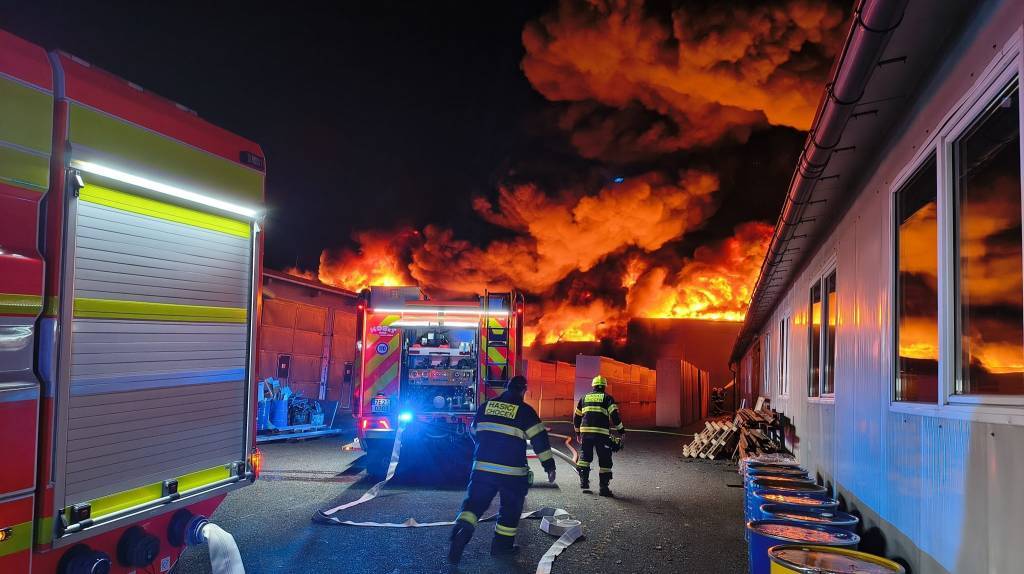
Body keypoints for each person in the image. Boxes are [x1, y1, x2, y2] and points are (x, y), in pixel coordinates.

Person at [447, 375, 557, 564]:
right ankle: (501, 547)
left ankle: (462, 529)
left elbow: (473, 432)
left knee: (473, 505)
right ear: (523, 390)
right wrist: (549, 467)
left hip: (482, 469)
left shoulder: (486, 406)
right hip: (512, 473)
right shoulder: (525, 411)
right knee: (510, 510)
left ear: (506, 388)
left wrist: (485, 449)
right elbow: (540, 440)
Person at [572, 375, 625, 497]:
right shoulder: (607, 398)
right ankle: (603, 489)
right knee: (605, 459)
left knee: (585, 457)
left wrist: (577, 433)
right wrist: (621, 431)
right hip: (601, 434)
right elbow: (615, 416)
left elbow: (577, 417)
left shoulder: (584, 398)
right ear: (604, 386)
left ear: (593, 386)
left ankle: (584, 482)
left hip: (586, 433)